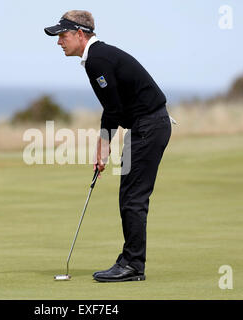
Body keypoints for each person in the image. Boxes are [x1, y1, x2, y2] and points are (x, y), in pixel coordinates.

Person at [45, 10, 172, 282]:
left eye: (63, 35)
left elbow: (112, 109)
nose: (59, 42)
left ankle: (133, 266)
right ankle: (130, 262)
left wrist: (103, 146)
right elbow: (116, 107)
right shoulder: (100, 57)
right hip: (144, 126)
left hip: (149, 126)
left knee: (133, 197)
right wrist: (106, 145)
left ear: (80, 34)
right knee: (129, 195)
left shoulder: (97, 60)